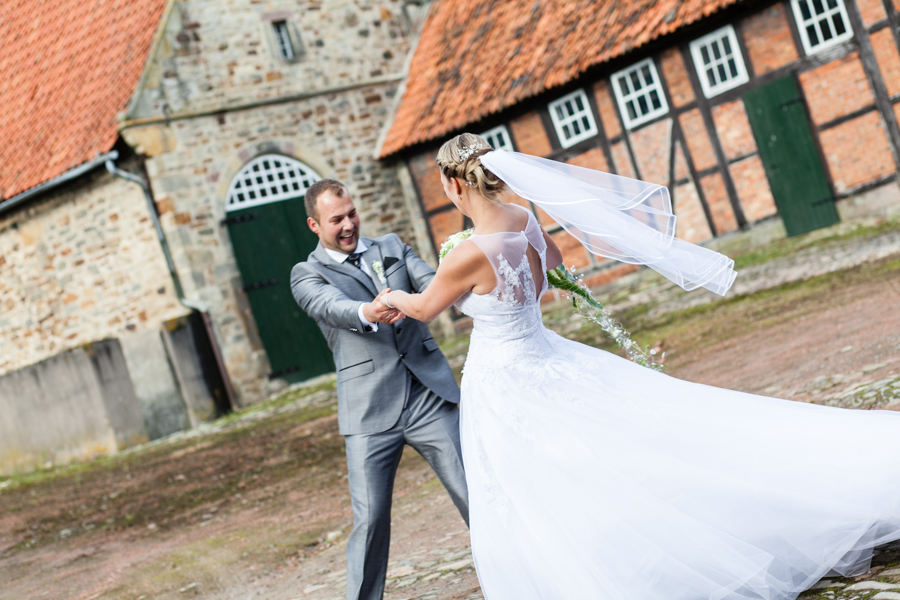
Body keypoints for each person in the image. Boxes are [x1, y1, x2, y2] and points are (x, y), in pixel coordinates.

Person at [379, 133, 900, 600]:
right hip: (545, 352)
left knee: (546, 477)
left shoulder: (464, 254)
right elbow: (546, 277)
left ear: (453, 183)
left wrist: (392, 292)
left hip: (505, 376)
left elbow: (424, 309)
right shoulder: (523, 221)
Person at [289, 179, 468, 600]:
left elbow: (433, 284)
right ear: (314, 224)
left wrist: (471, 269)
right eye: (337, 220)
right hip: (369, 410)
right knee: (369, 520)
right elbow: (330, 307)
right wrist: (369, 310)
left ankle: (513, 576)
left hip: (429, 394)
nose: (349, 225)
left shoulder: (391, 246)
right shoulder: (306, 273)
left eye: (351, 213)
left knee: (473, 489)